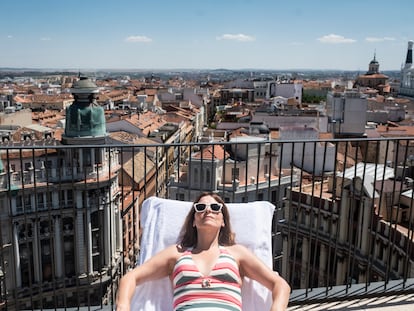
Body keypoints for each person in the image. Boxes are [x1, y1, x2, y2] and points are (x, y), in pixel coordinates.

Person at [116, 192, 291, 311]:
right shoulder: (176, 254)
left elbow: (280, 285)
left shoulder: (237, 253)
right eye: (200, 208)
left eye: (215, 208)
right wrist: (123, 307)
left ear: (223, 220)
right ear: (193, 220)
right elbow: (130, 278)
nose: (208, 210)